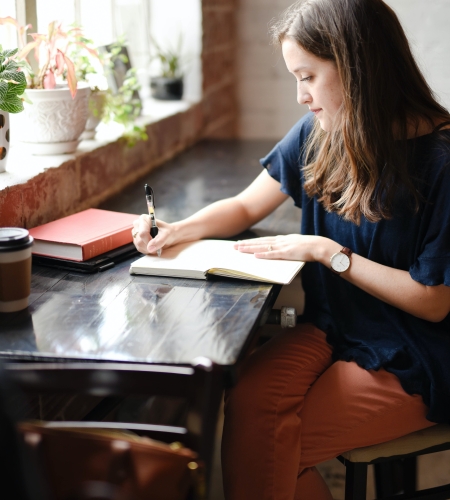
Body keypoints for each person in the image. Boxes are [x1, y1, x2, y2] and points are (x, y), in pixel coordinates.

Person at [132, 0, 450, 497]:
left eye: (307, 76)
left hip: (417, 351)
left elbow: (433, 302)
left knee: (266, 446)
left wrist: (327, 252)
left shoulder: (442, 163)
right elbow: (243, 206)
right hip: (335, 326)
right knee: (249, 403)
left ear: (357, 67)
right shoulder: (322, 133)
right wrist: (178, 229)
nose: (300, 96)